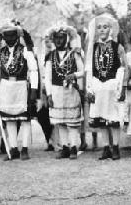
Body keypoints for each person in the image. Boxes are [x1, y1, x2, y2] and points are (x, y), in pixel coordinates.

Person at [0, 20, 38, 161]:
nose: (10, 39)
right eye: (7, 36)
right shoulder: (1, 52)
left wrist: (34, 90)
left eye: (13, 35)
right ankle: (13, 149)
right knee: (9, 119)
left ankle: (24, 149)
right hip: (6, 88)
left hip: (21, 86)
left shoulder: (24, 50)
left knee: (24, 118)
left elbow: (34, 69)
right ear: (4, 37)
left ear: (17, 36)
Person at [85, 14, 128, 160]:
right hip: (98, 86)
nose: (102, 30)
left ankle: (115, 147)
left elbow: (123, 68)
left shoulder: (117, 46)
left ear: (111, 29)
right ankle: (105, 148)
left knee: (113, 119)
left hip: (112, 86)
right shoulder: (93, 47)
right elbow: (90, 69)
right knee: (101, 119)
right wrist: (89, 88)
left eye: (105, 27)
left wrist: (121, 87)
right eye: (99, 27)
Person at [45, 24, 84, 160]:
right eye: (56, 38)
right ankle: (65, 147)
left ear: (66, 38)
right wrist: (49, 94)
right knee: (60, 122)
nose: (59, 41)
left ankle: (74, 147)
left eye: (62, 38)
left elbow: (83, 71)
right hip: (56, 91)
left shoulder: (75, 54)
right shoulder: (50, 56)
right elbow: (48, 78)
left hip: (71, 91)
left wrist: (74, 75)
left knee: (72, 122)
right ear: (53, 40)